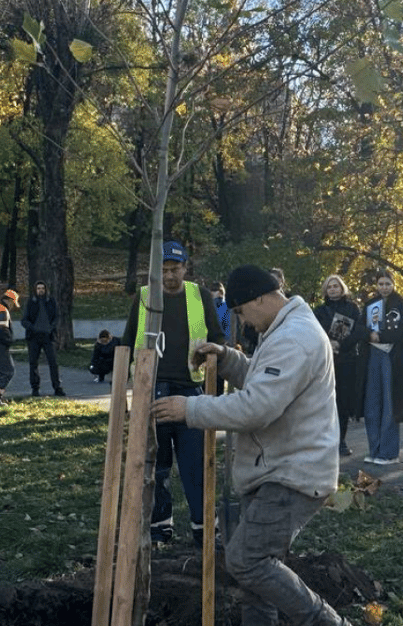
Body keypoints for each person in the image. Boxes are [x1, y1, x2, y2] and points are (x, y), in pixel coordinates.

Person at [154, 265, 352, 626]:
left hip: (291, 473)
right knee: (256, 579)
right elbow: (265, 383)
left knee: (247, 561)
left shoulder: (295, 338)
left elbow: (257, 408)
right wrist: (228, 359)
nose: (243, 320)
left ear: (260, 298)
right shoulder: (283, 331)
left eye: (242, 311)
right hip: (274, 468)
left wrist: (190, 408)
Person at [120, 240, 225, 546]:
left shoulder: (200, 296)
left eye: (174, 269)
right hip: (152, 389)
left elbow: (218, 338)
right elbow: (127, 341)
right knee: (156, 464)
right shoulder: (144, 298)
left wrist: (213, 358)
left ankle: (204, 526)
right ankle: (159, 525)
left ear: (185, 268)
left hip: (190, 390)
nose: (169, 276)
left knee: (196, 464)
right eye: (163, 270)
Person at [358, 271, 403, 465]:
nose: (384, 287)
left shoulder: (402, 304)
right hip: (372, 356)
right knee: (372, 404)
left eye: (387, 283)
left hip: (392, 357)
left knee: (390, 404)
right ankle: (374, 449)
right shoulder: (369, 304)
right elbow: (360, 327)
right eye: (381, 283)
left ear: (393, 284)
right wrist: (369, 335)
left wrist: (381, 337)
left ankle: (389, 453)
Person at [313, 274, 367, 457]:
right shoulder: (319, 310)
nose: (333, 289)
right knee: (326, 401)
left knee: (343, 402)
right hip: (326, 361)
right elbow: (315, 330)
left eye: (336, 286)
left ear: (342, 288)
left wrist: (341, 345)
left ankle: (341, 440)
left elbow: (359, 331)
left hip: (347, 360)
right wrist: (329, 344)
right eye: (329, 287)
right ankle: (324, 439)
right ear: (325, 290)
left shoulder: (352, 308)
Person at [21, 280, 65, 397]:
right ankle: (35, 388)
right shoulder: (31, 302)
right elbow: (24, 320)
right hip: (34, 337)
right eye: (38, 288)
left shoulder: (51, 301)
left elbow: (56, 317)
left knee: (53, 362)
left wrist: (51, 327)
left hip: (48, 336)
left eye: (43, 288)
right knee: (33, 363)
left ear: (46, 290)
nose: (41, 290)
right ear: (35, 290)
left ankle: (57, 387)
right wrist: (33, 328)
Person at [212, 281, 236, 346]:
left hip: (213, 340)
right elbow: (229, 326)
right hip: (225, 341)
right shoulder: (228, 306)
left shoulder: (209, 304)